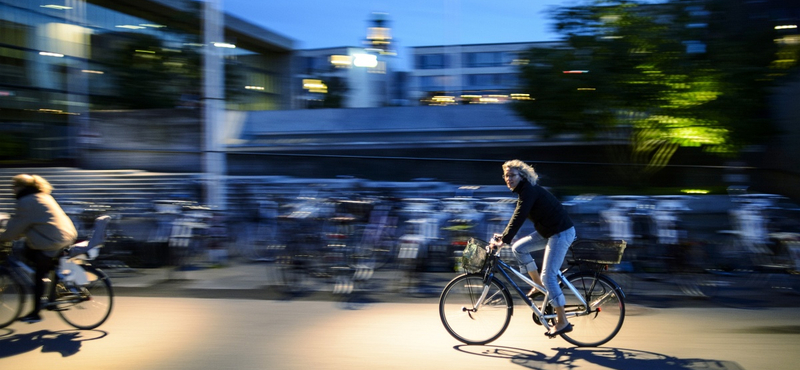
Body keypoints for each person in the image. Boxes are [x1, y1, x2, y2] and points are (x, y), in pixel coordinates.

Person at [489, 160, 576, 338]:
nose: (508, 179)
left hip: (561, 233)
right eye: (506, 176)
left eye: (512, 175)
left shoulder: (528, 190)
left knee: (549, 275)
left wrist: (504, 239)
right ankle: (538, 286)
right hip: (549, 232)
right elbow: (517, 215)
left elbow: (520, 215)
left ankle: (562, 321)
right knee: (519, 248)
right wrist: (505, 236)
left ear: (522, 176)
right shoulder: (525, 191)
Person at [0, 174, 77, 323]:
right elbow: (33, 222)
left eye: (14, 186)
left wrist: (4, 237)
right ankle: (55, 288)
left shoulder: (25, 201)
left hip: (52, 241)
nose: (13, 190)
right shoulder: (42, 195)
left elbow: (16, 227)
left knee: (38, 274)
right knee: (28, 252)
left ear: (20, 187)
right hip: (66, 235)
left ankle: (35, 313)